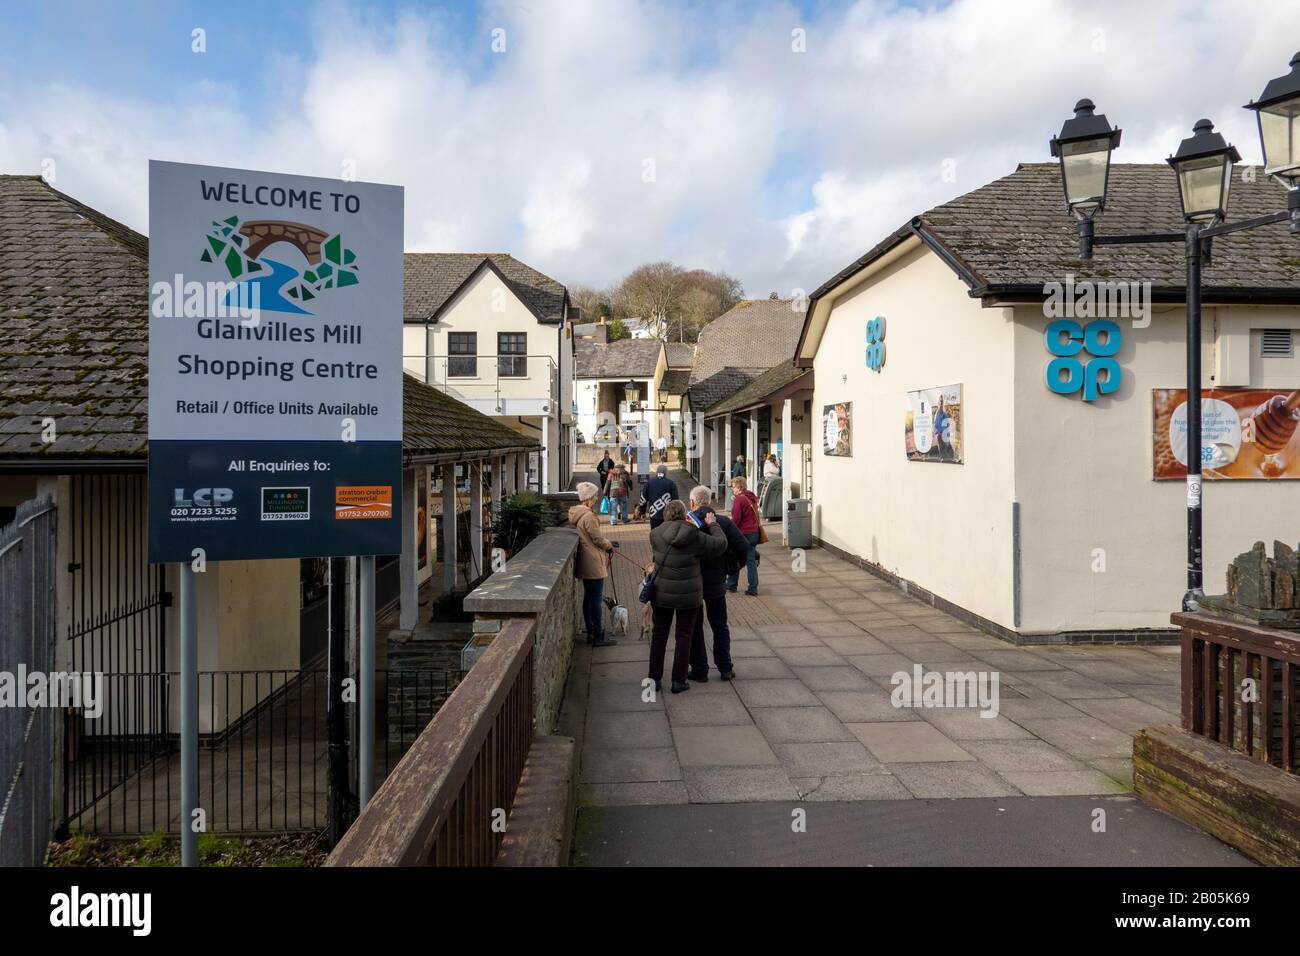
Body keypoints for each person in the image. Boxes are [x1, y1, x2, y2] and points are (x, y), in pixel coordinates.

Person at [648, 500, 727, 694]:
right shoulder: (694, 535)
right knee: (684, 636)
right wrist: (713, 524)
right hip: (688, 593)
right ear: (685, 514)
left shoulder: (655, 534)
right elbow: (720, 545)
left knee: (659, 634)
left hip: (662, 592)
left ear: (666, 514)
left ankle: (654, 679)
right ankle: (678, 680)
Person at [686, 485, 749, 681]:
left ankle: (699, 669)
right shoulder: (722, 522)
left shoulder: (687, 523)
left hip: (692, 583)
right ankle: (725, 668)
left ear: (693, 503)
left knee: (694, 627)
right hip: (716, 583)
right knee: (719, 625)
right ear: (710, 501)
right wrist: (731, 569)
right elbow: (743, 547)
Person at [569, 482, 617, 647]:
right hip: (593, 561)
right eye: (595, 495)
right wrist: (609, 545)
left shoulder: (579, 514)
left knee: (589, 598)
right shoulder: (588, 516)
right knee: (595, 600)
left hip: (586, 560)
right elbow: (597, 538)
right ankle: (598, 635)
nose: (597, 498)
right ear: (589, 498)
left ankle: (590, 632)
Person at [727, 475, 761, 595]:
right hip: (754, 532)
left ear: (740, 487)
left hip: (743, 534)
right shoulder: (751, 497)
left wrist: (728, 527)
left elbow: (736, 519)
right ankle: (753, 588)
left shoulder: (739, 499)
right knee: (750, 561)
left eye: (734, 487)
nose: (733, 489)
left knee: (734, 559)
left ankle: (731, 585)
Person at [639, 464, 679, 529]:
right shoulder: (671, 483)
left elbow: (643, 499)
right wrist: (675, 515)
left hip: (654, 514)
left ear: (657, 472)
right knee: (666, 535)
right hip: (667, 516)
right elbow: (676, 501)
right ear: (666, 473)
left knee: (655, 534)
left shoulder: (649, 483)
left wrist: (642, 512)